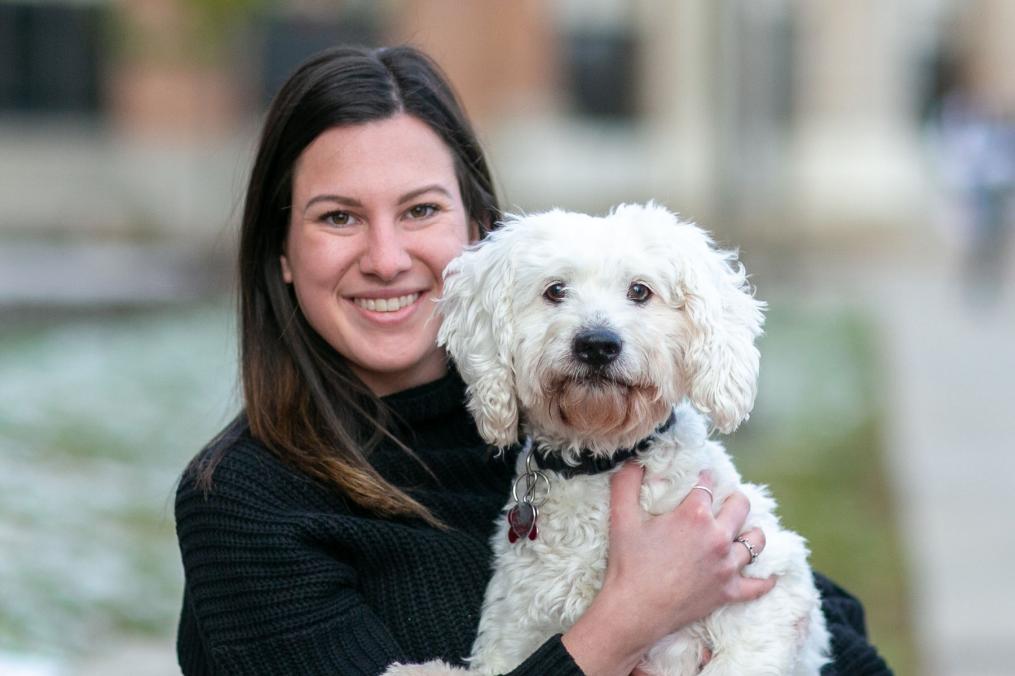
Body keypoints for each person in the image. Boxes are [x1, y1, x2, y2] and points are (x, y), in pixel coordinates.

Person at [175, 45, 892, 675]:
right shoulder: (246, 504)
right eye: (338, 217)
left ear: (479, 235)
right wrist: (626, 623)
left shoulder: (579, 430)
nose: (386, 259)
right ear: (282, 254)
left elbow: (838, 638)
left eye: (420, 210)